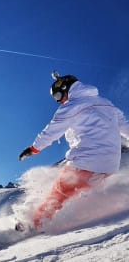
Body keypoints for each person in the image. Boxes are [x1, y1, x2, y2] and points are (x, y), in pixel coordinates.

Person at [17, 71, 129, 232]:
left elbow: (52, 130)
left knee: (59, 191)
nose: (59, 101)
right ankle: (63, 220)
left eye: (57, 96)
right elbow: (125, 126)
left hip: (87, 160)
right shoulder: (107, 103)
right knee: (79, 194)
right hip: (110, 165)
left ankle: (32, 225)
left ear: (65, 89)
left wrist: (34, 148)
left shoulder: (73, 105)